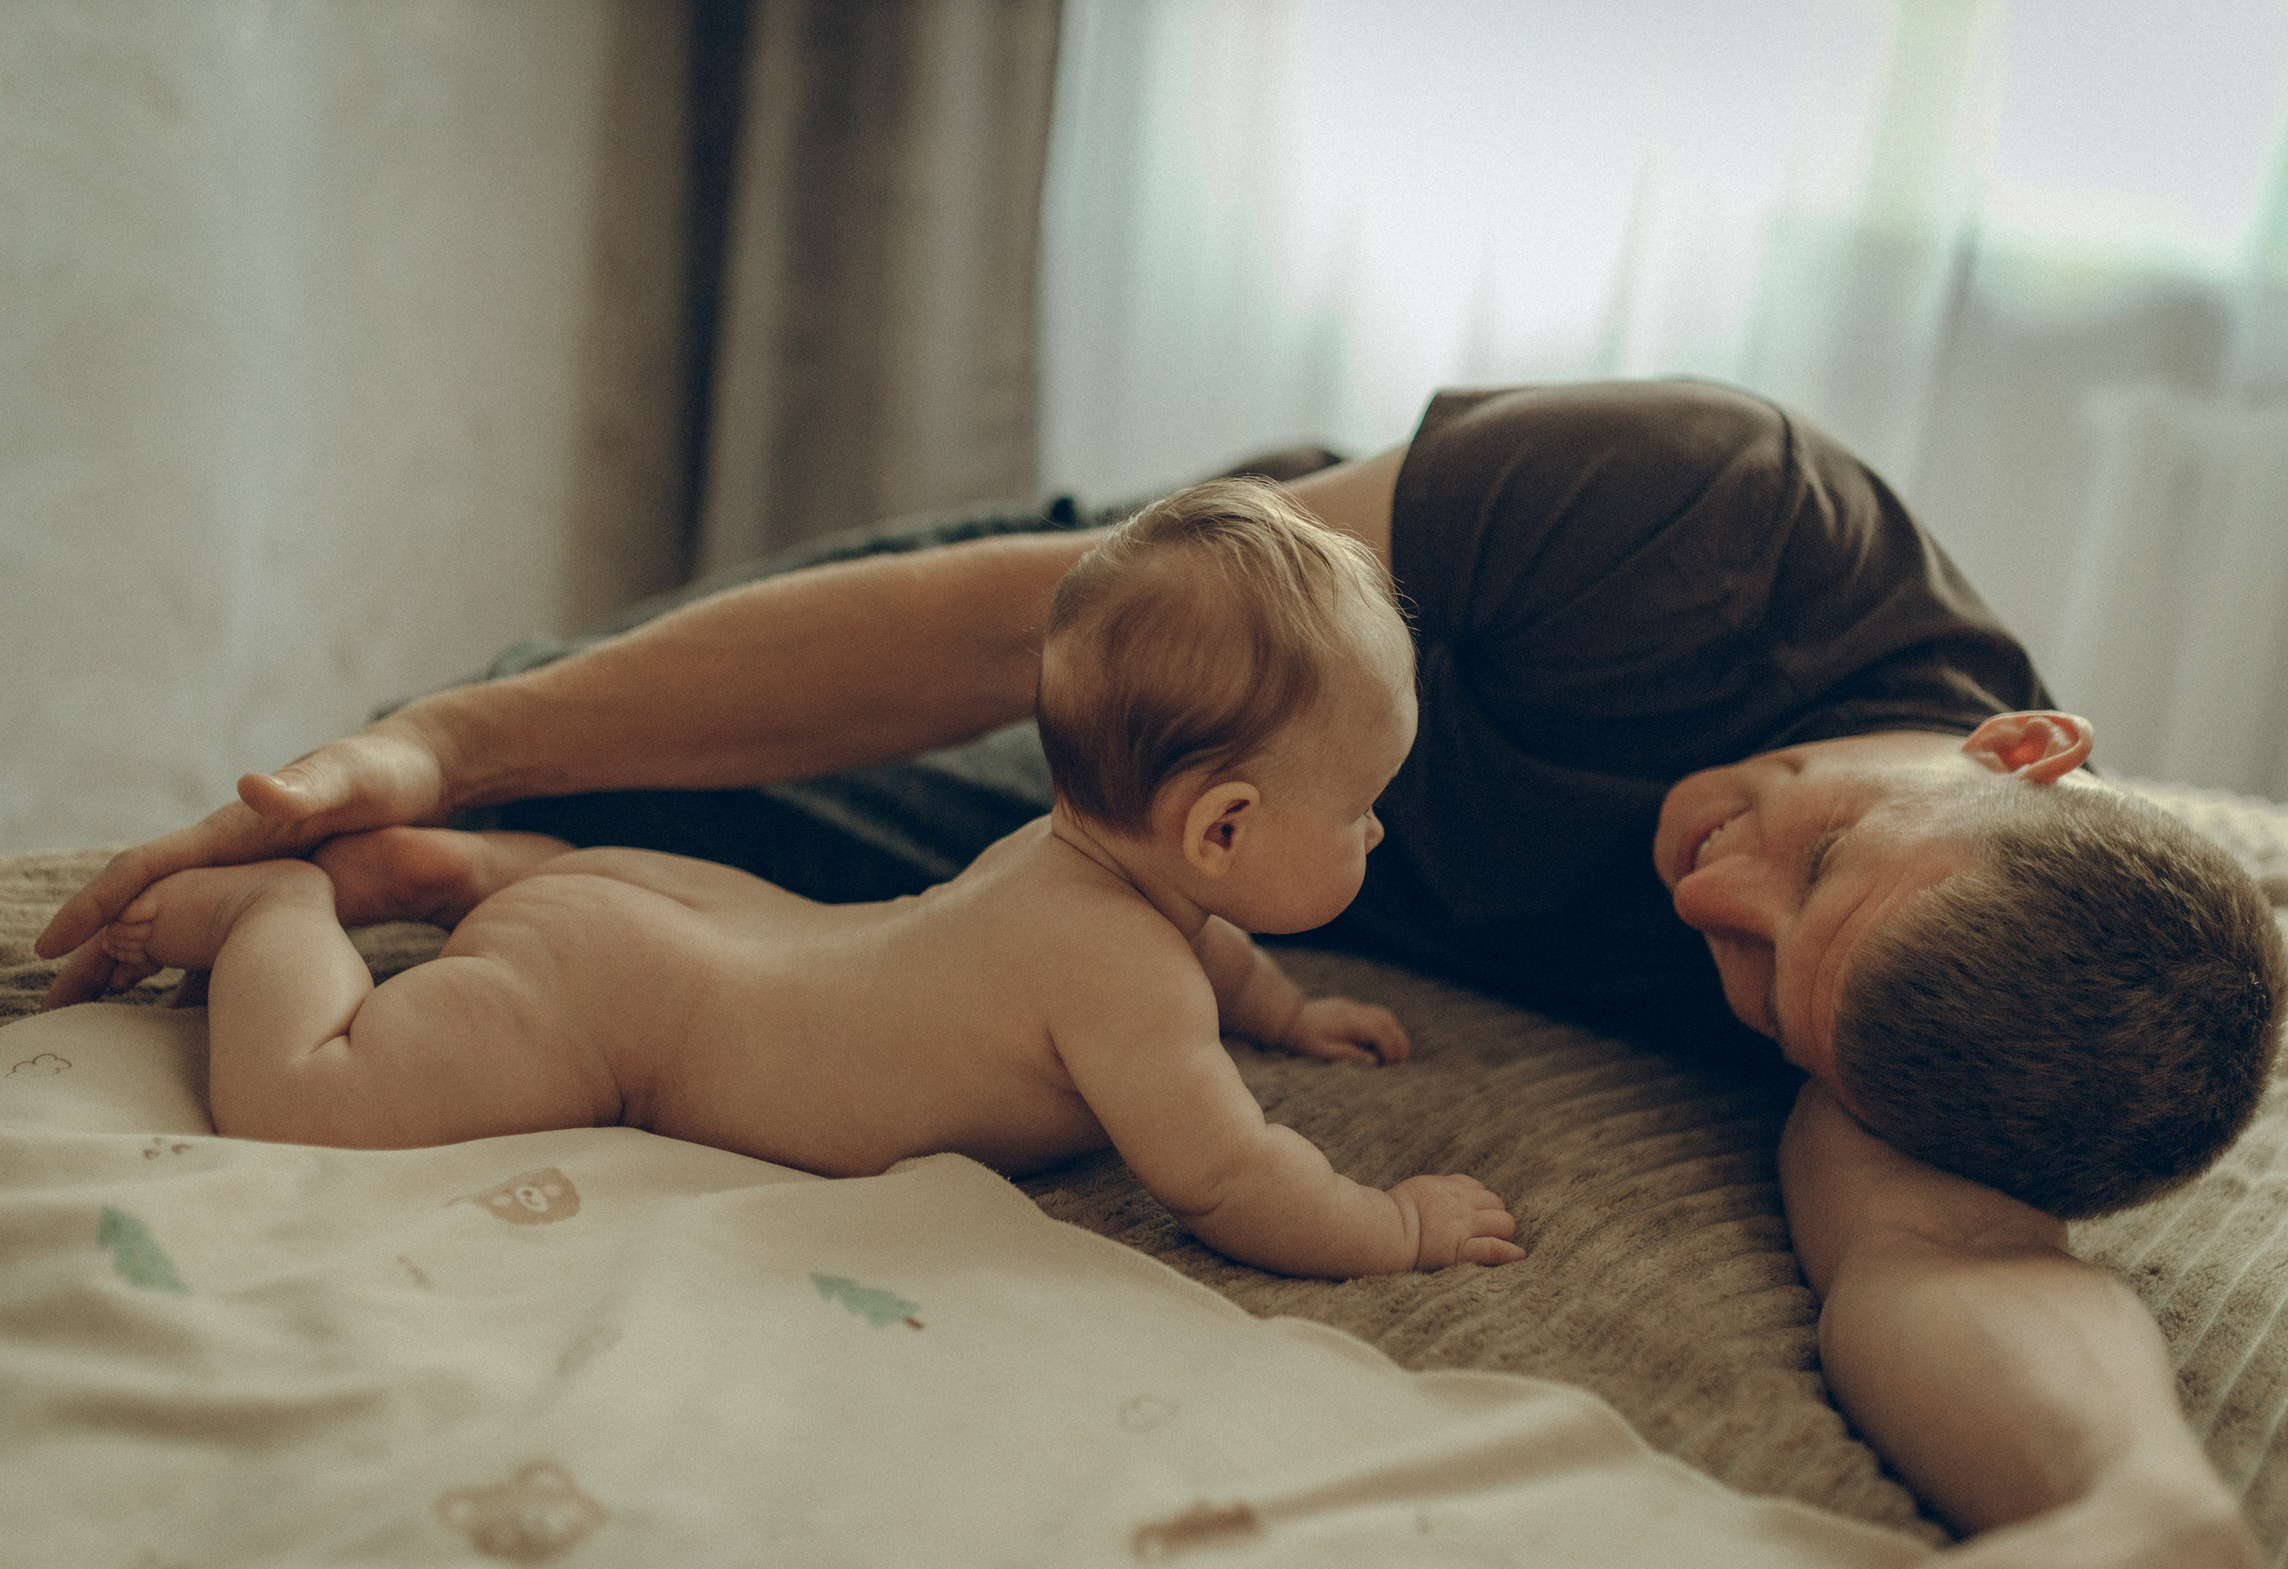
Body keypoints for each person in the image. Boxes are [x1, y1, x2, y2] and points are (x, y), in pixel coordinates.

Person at [38, 380, 2282, 1569]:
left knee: (631, 895)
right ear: (2018, 744)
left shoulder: (1909, 1018)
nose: (1705, 891)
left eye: (1753, 973)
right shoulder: (1707, 519)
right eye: (1805, 853)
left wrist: (2146, 1504)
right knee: (510, 767)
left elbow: (1948, 1262)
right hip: (1177, 693)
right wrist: (440, 735)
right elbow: (1017, 635)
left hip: (1250, 889)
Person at [78, 483, 1525, 1280]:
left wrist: (1276, 1010)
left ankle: (463, 873)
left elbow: (1208, 955)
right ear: (1216, 831)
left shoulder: (1084, 867)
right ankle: (283, 919)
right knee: (312, 1103)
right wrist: (1390, 1222)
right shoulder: (1124, 975)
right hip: (622, 1015)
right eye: (1365, 812)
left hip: (691, 922)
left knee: (722, 927)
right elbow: (1230, 1176)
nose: (1382, 837)